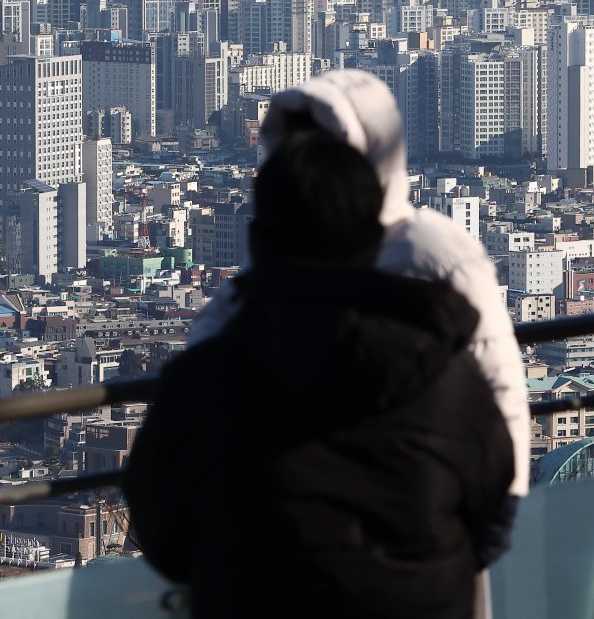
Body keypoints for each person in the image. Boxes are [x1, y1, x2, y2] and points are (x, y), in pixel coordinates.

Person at [124, 134, 515, 619]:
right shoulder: (448, 379)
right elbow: (493, 512)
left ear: (260, 241)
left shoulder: (202, 384)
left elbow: (160, 532)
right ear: (375, 240)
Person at [187, 69, 532, 504]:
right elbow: (211, 346)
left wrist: (498, 512)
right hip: (326, 513)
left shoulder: (433, 250)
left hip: (402, 504)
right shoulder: (287, 245)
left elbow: (499, 388)